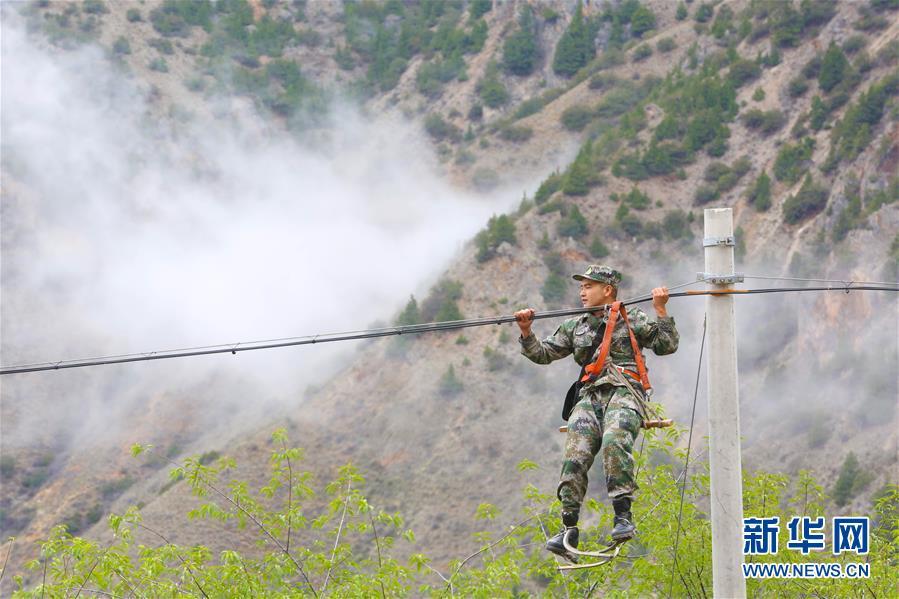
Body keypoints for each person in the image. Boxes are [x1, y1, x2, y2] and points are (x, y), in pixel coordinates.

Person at [514, 265, 679, 561]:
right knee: (575, 454)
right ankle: (568, 527)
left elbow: (666, 345)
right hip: (590, 396)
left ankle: (622, 515)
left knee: (615, 440)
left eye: (589, 286)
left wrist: (661, 310)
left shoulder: (632, 319)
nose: (582, 292)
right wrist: (526, 331)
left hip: (624, 390)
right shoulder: (575, 327)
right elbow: (543, 353)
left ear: (608, 290)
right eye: (581, 287)